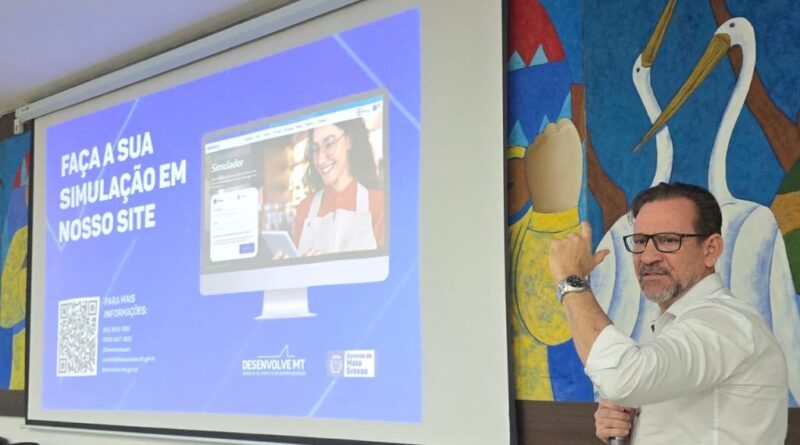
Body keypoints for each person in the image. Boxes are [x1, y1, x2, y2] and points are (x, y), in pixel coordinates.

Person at [549, 182, 788, 444]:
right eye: (640, 241)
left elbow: (622, 376)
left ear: (710, 250)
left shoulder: (725, 323)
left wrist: (570, 279)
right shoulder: (676, 326)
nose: (647, 256)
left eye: (668, 240)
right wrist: (633, 423)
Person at [291, 117, 385, 256]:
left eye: (329, 144)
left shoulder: (380, 204)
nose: (320, 160)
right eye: (315, 149)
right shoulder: (305, 208)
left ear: (349, 140)